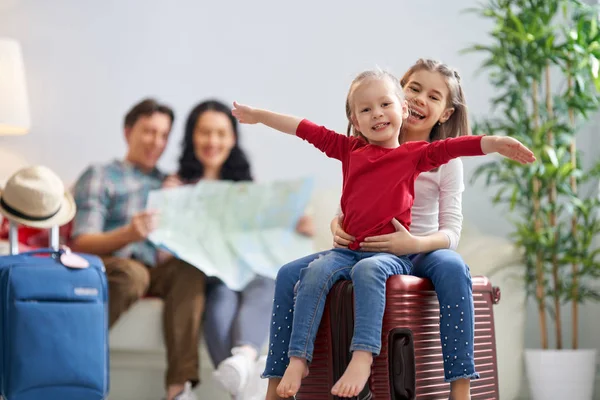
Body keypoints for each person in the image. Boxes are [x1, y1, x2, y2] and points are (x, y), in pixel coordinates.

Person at [232, 67, 535, 398]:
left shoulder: (427, 155)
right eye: (414, 89)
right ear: (403, 97)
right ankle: (277, 383)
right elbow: (339, 181)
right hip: (361, 247)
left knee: (444, 267)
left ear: (443, 111)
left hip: (418, 249)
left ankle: (459, 386)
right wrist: (337, 224)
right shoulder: (358, 146)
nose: (419, 99)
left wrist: (494, 143)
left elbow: (456, 180)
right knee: (292, 273)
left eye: (433, 96)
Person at [162, 99, 314, 399]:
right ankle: (246, 383)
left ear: (233, 138)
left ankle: (244, 357)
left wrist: (296, 225)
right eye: (204, 132)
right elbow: (166, 252)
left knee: (269, 282)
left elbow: (267, 234)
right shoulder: (176, 187)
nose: (212, 141)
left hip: (252, 273)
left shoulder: (250, 188)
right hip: (214, 278)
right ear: (192, 136)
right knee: (221, 303)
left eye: (220, 133)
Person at [71, 98, 205, 400]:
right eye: (148, 131)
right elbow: (82, 241)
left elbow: (176, 246)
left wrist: (179, 205)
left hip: (152, 268)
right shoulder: (101, 174)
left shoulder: (168, 183)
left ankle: (178, 390)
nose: (156, 141)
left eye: (163, 135)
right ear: (127, 131)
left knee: (189, 269)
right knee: (134, 274)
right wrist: (129, 233)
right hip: (109, 264)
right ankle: (72, 355)